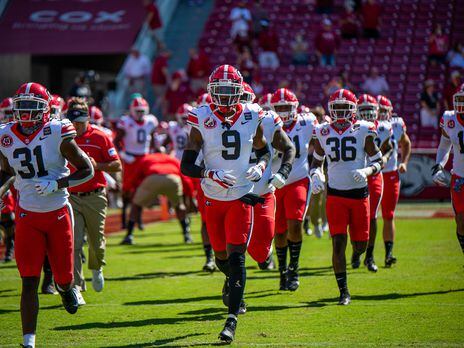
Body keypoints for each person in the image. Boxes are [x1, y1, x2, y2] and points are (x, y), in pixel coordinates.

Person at [181, 65, 271, 343]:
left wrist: (262, 166)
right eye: (218, 91)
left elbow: (263, 149)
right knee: (221, 257)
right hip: (212, 196)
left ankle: (231, 320)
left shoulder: (253, 114)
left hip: (241, 195)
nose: (224, 97)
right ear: (211, 92)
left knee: (236, 256)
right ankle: (233, 285)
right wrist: (209, 172)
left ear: (239, 92)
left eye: (229, 91)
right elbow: (186, 164)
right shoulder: (201, 116)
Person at [0, 82, 94, 348]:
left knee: (64, 277)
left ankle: (66, 289)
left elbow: (87, 169)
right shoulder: (5, 135)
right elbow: (7, 171)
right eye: (22, 107)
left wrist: (58, 183)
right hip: (27, 214)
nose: (27, 114)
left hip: (57, 213)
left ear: (45, 109)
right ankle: (28, 341)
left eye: (33, 107)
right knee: (29, 279)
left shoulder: (57, 130)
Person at [311, 89, 384, 305]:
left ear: (353, 110)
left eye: (345, 108)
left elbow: (379, 161)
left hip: (359, 195)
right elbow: (317, 161)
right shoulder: (322, 131)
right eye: (337, 108)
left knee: (360, 244)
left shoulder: (363, 130)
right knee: (338, 243)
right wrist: (316, 174)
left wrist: (367, 171)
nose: (341, 112)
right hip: (335, 196)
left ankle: (358, 254)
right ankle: (343, 291)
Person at [66, 98, 121, 305]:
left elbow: (117, 166)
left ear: (88, 119)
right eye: (74, 123)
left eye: (80, 123)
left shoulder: (99, 136)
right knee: (74, 242)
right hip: (71, 195)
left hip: (95, 195)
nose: (77, 127)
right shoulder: (63, 137)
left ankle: (97, 268)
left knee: (96, 242)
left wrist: (97, 165)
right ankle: (77, 287)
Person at [242, 83, 296, 273]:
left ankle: (266, 255)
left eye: (242, 99)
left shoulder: (266, 120)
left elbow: (289, 148)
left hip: (262, 191)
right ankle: (231, 282)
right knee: (232, 245)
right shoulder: (216, 124)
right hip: (231, 194)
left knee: (260, 250)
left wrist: (284, 171)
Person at [271, 88, 316, 291]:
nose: (282, 111)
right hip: (273, 183)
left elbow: (324, 142)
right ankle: (282, 271)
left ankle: (294, 268)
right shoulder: (267, 124)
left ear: (295, 107)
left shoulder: (307, 122)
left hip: (297, 179)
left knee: (295, 225)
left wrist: (318, 169)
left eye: (285, 107)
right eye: (278, 107)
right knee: (278, 232)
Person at [353, 94, 393, 272]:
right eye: (364, 111)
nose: (368, 114)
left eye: (371, 110)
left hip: (374, 175)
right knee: (354, 218)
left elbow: (389, 148)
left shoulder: (383, 127)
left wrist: (382, 159)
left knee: (372, 216)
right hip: (355, 176)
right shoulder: (352, 128)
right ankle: (356, 251)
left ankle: (369, 256)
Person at [114, 96, 158, 238]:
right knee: (127, 191)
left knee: (142, 190)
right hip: (131, 158)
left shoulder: (151, 121)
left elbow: (153, 138)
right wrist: (123, 154)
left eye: (142, 111)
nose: (139, 113)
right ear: (132, 111)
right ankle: (123, 220)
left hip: (144, 158)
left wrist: (153, 150)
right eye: (137, 111)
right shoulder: (126, 122)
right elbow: (116, 141)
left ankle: (138, 219)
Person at [127, 153, 192, 244]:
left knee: (136, 205)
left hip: (153, 177)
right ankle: (187, 235)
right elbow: (184, 176)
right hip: (172, 178)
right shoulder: (171, 158)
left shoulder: (147, 158)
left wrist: (129, 188)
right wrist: (190, 194)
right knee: (179, 206)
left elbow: (136, 174)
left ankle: (129, 236)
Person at [432, 84, 464, 256]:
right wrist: (439, 165)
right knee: (460, 221)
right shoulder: (450, 119)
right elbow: (445, 145)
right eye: (461, 100)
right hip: (459, 177)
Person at [380, 96, 411, 267]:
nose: (383, 114)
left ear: (391, 111)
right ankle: (363, 252)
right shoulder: (367, 126)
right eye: (380, 111)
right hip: (371, 174)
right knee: (367, 216)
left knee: (388, 215)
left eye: (385, 111)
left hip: (391, 174)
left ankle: (388, 253)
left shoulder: (397, 125)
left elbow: (406, 144)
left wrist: (404, 163)